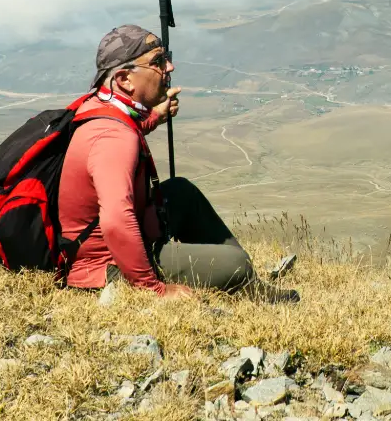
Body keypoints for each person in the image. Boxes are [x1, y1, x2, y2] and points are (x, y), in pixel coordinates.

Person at [56, 23, 298, 303]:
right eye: (158, 62)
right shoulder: (113, 138)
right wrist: (153, 289)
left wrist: (153, 117)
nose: (169, 67)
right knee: (235, 264)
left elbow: (124, 133)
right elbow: (116, 221)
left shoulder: (98, 106)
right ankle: (239, 276)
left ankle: (250, 286)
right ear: (125, 80)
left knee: (181, 192)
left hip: (117, 237)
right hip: (106, 264)